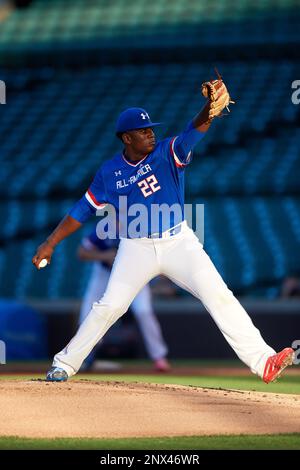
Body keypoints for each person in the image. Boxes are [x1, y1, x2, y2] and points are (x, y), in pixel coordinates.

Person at [32, 76, 294, 384]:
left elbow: (192, 131)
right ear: (126, 138)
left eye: (151, 128)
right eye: (143, 131)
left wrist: (209, 108)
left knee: (220, 296)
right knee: (108, 306)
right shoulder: (109, 173)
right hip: (136, 247)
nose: (150, 134)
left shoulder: (168, 152)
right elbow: (82, 209)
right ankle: (63, 364)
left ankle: (263, 361)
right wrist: (50, 242)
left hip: (178, 241)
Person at [77, 227, 171, 372]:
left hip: (133, 272)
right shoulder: (104, 227)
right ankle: (84, 355)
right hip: (104, 274)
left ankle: (159, 356)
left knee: (144, 311)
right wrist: (104, 255)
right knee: (88, 312)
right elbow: (82, 253)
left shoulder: (140, 227)